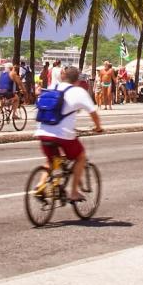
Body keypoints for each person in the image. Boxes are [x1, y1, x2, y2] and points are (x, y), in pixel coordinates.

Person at [34, 64, 102, 203]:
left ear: (62, 76)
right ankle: (74, 192)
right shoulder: (79, 92)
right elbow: (93, 113)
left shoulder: (52, 87)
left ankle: (40, 185)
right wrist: (98, 127)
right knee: (81, 157)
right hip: (63, 134)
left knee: (51, 159)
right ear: (77, 80)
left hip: (42, 131)